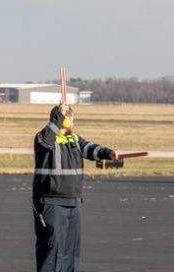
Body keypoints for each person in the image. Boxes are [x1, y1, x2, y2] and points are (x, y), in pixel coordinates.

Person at [32, 103, 116, 272]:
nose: (73, 122)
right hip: (51, 203)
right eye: (71, 119)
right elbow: (47, 139)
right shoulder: (44, 138)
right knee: (51, 250)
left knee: (71, 252)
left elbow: (91, 149)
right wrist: (60, 115)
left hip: (73, 202)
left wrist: (108, 153)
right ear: (62, 120)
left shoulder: (75, 139)